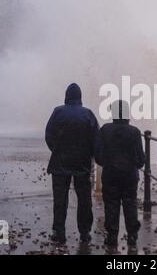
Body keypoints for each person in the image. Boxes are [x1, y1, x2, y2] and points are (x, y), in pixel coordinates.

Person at [45, 83, 99, 244]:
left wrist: (57, 150)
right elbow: (96, 140)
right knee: (84, 200)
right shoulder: (88, 114)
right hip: (82, 165)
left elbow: (49, 135)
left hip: (59, 163)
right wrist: (91, 156)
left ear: (66, 96)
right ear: (80, 97)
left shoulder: (58, 112)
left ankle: (60, 233)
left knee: (60, 200)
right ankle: (84, 233)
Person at [95, 100, 145, 250]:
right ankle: (132, 235)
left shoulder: (105, 130)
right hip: (129, 175)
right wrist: (135, 164)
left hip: (110, 174)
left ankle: (112, 236)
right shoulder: (135, 132)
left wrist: (108, 163)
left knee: (111, 204)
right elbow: (141, 159)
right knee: (130, 204)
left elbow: (98, 156)